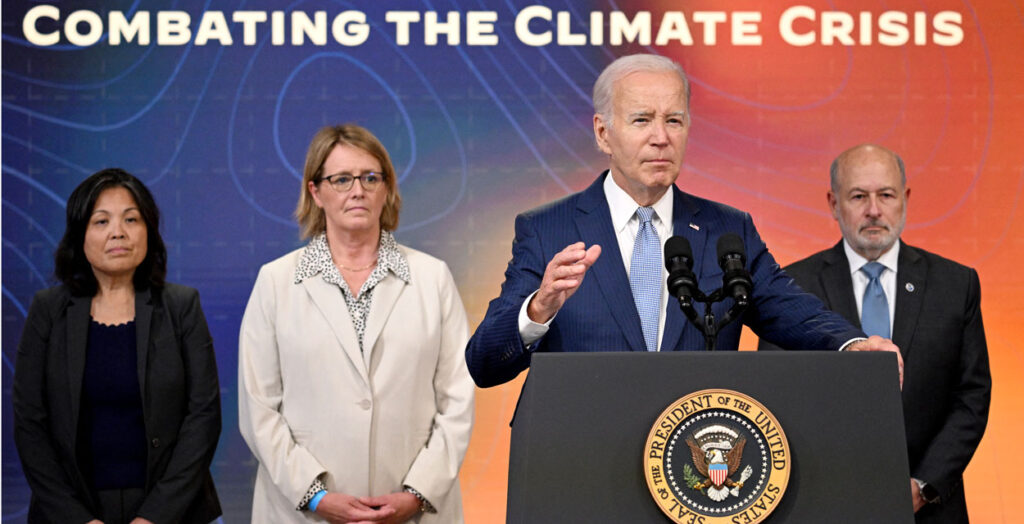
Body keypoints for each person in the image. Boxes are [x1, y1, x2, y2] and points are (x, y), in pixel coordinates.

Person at [466, 53, 903, 388]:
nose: (661, 137)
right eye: (642, 120)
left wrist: (851, 343)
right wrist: (537, 310)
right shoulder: (548, 230)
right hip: (581, 466)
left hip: (694, 467)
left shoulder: (728, 230)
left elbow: (788, 309)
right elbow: (484, 364)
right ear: (603, 133)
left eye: (674, 120)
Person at [238, 124, 474, 523]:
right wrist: (315, 496)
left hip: (410, 509)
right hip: (304, 512)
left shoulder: (433, 278)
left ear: (387, 188)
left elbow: (458, 399)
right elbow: (258, 409)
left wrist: (417, 493)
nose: (358, 190)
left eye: (370, 177)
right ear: (316, 191)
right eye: (341, 179)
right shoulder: (276, 282)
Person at [758, 144, 990, 522]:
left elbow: (972, 397)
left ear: (906, 198)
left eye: (886, 195)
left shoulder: (955, 284)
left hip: (931, 509)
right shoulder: (791, 287)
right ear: (833, 204)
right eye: (858, 196)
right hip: (823, 504)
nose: (873, 210)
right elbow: (776, 395)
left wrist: (923, 485)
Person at [13, 169, 223, 524]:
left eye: (131, 219)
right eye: (101, 221)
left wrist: (155, 517)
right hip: (71, 511)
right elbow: (30, 424)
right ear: (80, 234)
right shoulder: (48, 311)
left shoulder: (181, 306)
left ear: (148, 231)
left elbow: (203, 417)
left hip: (176, 512)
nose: (118, 232)